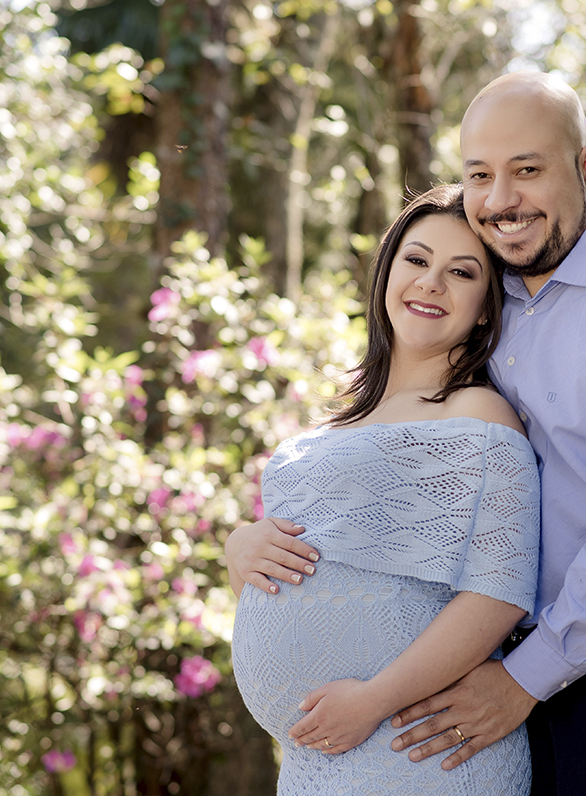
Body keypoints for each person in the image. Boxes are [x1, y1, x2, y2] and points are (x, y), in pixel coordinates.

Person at [232, 71, 586, 795]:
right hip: (507, 671)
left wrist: (524, 681)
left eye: (528, 170)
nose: (502, 199)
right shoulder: (498, 304)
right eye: (480, 175)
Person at [227, 183, 540, 795]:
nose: (431, 283)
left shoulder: (478, 414)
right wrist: (241, 548)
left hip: (417, 746)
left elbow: (500, 594)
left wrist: (373, 700)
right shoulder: (337, 422)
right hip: (318, 759)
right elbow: (293, 577)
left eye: (461, 272)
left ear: (484, 307)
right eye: (417, 261)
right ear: (387, 273)